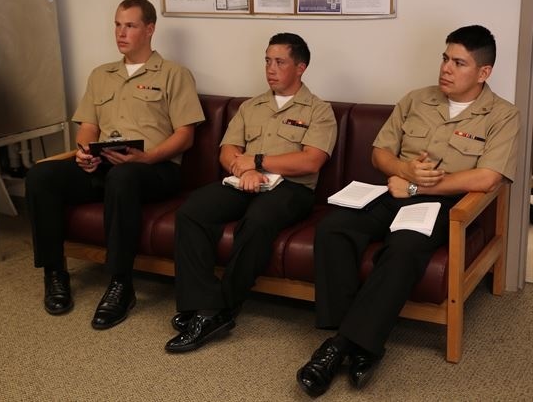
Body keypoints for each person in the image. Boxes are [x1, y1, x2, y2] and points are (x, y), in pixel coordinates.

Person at [296, 24, 520, 395]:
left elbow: (486, 178)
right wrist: (403, 172)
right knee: (334, 228)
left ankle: (338, 347)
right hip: (396, 190)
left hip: (445, 203)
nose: (446, 68)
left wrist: (418, 184)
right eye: (445, 58)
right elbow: (380, 152)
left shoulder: (502, 115)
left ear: (484, 72)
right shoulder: (416, 99)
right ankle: (354, 336)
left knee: (403, 248)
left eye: (459, 62)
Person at [25, 0, 205, 330]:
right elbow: (89, 126)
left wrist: (146, 157)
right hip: (106, 165)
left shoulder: (173, 74)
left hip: (155, 169)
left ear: (149, 29)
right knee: (41, 175)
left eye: (130, 26)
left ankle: (121, 284)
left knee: (123, 178)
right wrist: (84, 152)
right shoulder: (101, 75)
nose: (121, 33)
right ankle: (55, 273)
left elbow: (186, 135)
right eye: (118, 25)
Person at [164, 33, 337, 353]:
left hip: (292, 189)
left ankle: (224, 306)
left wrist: (258, 162)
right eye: (268, 60)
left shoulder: (319, 110)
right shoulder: (251, 106)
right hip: (245, 182)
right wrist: (244, 170)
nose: (271, 68)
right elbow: (227, 150)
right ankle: (206, 305)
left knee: (257, 220)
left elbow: (311, 160)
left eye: (280, 62)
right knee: (192, 210)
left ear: (301, 67)